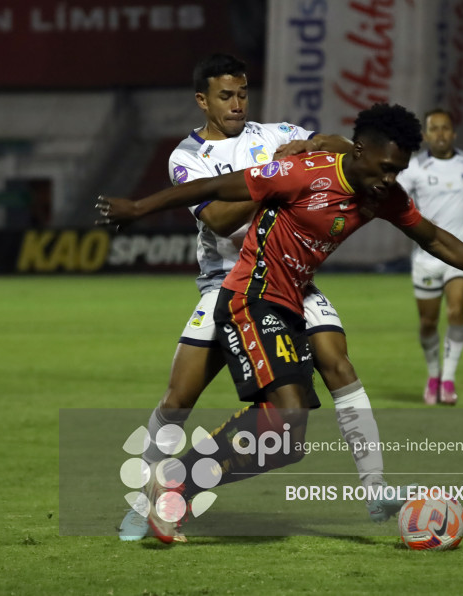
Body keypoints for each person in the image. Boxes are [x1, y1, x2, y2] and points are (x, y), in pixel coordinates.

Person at [97, 102, 463, 542]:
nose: (389, 179)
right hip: (250, 297)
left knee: (288, 440)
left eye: (397, 171)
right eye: (383, 167)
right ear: (358, 153)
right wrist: (137, 209)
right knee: (270, 411)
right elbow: (216, 188)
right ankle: (169, 488)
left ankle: (185, 483)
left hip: (293, 299)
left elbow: (435, 238)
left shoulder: (383, 196)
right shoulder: (304, 174)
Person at [118, 53, 407, 541]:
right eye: (225, 96)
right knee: (180, 396)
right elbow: (219, 220)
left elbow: (340, 146)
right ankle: (146, 494)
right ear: (202, 100)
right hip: (226, 284)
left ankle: (375, 486)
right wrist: (282, 168)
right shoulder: (186, 158)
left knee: (339, 363)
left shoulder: (272, 133)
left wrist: (315, 147)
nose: (236, 104)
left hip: (291, 280)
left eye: (243, 93)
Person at [394, 109, 463, 406]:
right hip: (427, 256)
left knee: (455, 312)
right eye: (434, 129)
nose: (440, 134)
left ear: (453, 133)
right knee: (428, 323)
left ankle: (449, 380)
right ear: (425, 136)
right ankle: (433, 375)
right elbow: (395, 199)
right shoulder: (413, 168)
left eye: (445, 128)